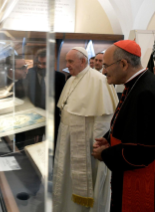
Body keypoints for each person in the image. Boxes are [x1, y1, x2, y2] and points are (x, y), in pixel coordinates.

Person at [92, 40, 155, 212]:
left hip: (141, 178)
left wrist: (105, 154)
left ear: (123, 64)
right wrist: (108, 138)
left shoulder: (146, 91)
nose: (103, 70)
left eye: (106, 65)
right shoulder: (137, 84)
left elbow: (142, 151)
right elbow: (128, 122)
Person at [53, 47, 118, 212]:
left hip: (86, 144)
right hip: (66, 141)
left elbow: (104, 119)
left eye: (70, 61)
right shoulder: (71, 80)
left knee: (82, 182)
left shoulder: (99, 81)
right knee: (65, 180)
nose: (67, 65)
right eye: (66, 61)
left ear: (82, 61)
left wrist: (98, 147)